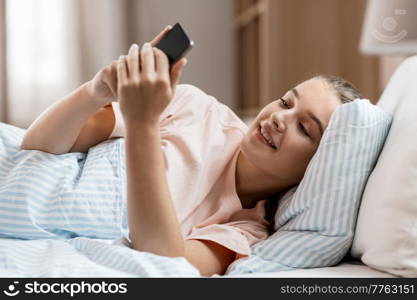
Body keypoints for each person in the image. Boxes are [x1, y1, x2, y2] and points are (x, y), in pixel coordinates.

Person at [19, 26, 363, 277]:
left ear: (319, 166)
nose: (279, 118)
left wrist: (143, 124)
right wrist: (95, 92)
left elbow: (165, 257)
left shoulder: (245, 233)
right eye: (286, 101)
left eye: (304, 128)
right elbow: (39, 145)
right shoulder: (197, 108)